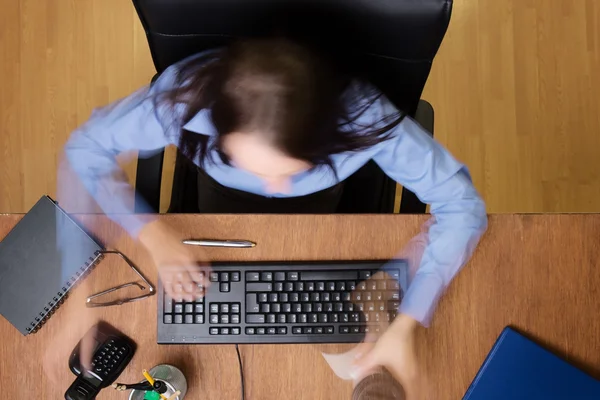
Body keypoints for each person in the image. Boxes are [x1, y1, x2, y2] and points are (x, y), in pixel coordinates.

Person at [60, 37, 487, 397]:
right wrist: (152, 233)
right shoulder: (184, 100)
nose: (272, 190)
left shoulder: (362, 115)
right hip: (218, 192)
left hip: (323, 205)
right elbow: (85, 149)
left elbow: (463, 206)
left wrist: (409, 318)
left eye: (289, 170)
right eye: (255, 165)